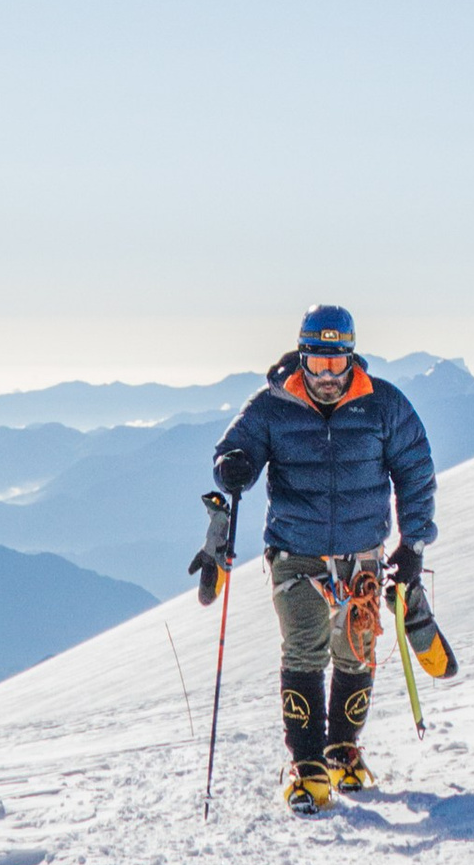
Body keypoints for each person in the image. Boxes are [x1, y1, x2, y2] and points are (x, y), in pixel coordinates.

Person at [189, 303, 441, 813]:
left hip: (362, 556)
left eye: (337, 363)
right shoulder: (272, 404)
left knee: (356, 651)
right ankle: (307, 768)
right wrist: (231, 467)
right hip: (294, 553)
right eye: (318, 363)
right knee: (305, 646)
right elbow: (230, 451)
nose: (328, 376)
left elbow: (416, 470)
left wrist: (412, 545)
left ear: (353, 358)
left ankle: (342, 751)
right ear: (302, 356)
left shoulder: (383, 404)